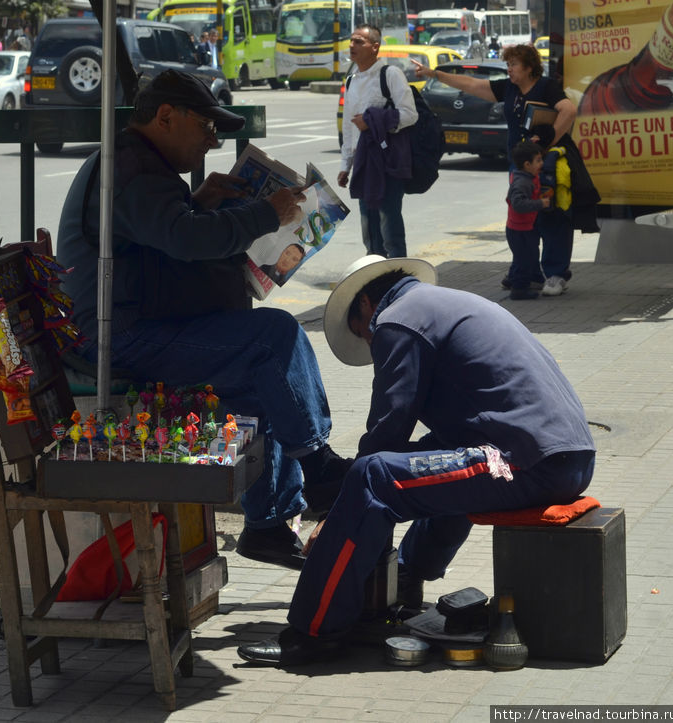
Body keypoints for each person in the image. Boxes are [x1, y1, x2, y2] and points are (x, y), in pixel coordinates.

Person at [236, 255, 596, 666]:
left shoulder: (397, 320)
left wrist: (337, 512)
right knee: (425, 462)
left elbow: (389, 426)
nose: (373, 344)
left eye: (364, 335)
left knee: (372, 477)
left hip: (524, 461)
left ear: (367, 306)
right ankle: (406, 579)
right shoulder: (440, 304)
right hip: (559, 456)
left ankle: (313, 632)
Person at [56, 70, 349, 571]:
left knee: (267, 377)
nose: (213, 139)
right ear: (167, 117)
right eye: (206, 125)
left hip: (138, 326)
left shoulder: (142, 168)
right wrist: (263, 214)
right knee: (273, 338)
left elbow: (161, 233)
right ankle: (318, 467)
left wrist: (199, 202)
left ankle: (269, 524)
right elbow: (184, 238)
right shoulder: (129, 169)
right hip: (119, 338)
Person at [413, 44, 577, 296]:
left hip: (546, 163)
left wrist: (547, 142)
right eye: (508, 64)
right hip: (519, 165)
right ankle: (527, 271)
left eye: (514, 64)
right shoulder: (508, 88)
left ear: (529, 67)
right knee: (523, 219)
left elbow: (569, 109)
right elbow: (472, 85)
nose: (509, 69)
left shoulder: (546, 87)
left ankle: (556, 274)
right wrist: (435, 75)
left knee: (552, 217)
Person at [338, 25, 418, 260]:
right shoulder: (352, 80)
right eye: (351, 41)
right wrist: (346, 165)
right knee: (368, 226)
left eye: (359, 41)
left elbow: (410, 115)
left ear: (375, 47)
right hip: (364, 163)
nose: (352, 45)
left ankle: (399, 276)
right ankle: (375, 276)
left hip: (387, 162)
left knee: (389, 225)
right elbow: (349, 126)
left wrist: (373, 121)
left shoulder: (390, 74)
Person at [506, 140, 551, 300]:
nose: (542, 163)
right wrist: (540, 203)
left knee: (529, 255)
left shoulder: (530, 177)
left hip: (526, 227)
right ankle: (519, 289)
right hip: (518, 230)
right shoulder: (522, 182)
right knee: (523, 259)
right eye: (538, 160)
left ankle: (518, 281)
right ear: (527, 164)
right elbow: (517, 204)